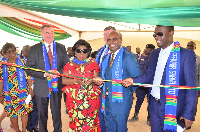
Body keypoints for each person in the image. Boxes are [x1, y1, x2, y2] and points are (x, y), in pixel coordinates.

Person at [122, 25, 198, 132]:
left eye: (160, 34)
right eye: (155, 34)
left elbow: (191, 87)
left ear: (171, 32)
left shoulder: (185, 54)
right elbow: (149, 75)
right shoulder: (154, 54)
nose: (156, 37)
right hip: (153, 105)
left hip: (173, 106)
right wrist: (133, 80)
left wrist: (189, 114)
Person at [93, 31, 141, 132]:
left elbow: (137, 79)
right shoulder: (106, 58)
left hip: (121, 101)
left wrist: (127, 93)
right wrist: (100, 81)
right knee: (109, 127)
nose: (111, 42)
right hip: (106, 100)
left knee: (120, 128)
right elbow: (103, 76)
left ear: (121, 40)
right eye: (109, 40)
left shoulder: (128, 57)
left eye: (115, 39)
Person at [26, 24, 69, 132]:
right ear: (41, 34)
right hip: (41, 87)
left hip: (56, 86)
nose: (50, 35)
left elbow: (67, 65)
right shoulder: (34, 49)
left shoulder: (61, 47)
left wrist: (58, 72)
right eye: (47, 33)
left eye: (52, 32)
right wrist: (45, 74)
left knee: (57, 115)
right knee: (42, 116)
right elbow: (29, 68)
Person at [62, 39, 101, 131]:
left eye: (85, 51)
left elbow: (95, 79)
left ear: (88, 52)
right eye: (79, 50)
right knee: (76, 123)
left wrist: (94, 81)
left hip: (90, 100)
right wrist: (77, 81)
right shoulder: (69, 65)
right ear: (74, 52)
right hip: (74, 101)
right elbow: (63, 80)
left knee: (90, 123)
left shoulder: (93, 64)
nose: (81, 53)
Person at [0, 42, 34, 132]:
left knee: (24, 111)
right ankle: (17, 130)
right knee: (12, 113)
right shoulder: (3, 65)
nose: (12, 53)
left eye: (13, 50)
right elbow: (1, 81)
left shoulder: (22, 62)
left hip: (23, 92)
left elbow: (28, 76)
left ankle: (24, 130)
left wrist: (31, 88)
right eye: (9, 52)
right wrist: (0, 95)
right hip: (10, 94)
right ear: (4, 54)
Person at [128, 44, 155, 126]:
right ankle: (135, 115)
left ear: (152, 50)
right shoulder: (142, 58)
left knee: (150, 102)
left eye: (147, 48)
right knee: (139, 100)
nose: (145, 49)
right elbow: (138, 70)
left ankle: (149, 118)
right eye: (146, 47)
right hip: (142, 84)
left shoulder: (156, 59)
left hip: (151, 85)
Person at [95, 26, 116, 132]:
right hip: (100, 88)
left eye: (110, 34)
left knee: (112, 119)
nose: (107, 36)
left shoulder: (122, 52)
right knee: (101, 116)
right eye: (105, 34)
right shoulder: (100, 50)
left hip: (112, 91)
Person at [21, 45, 39, 132]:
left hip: (36, 88)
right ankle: (28, 126)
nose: (28, 52)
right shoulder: (21, 63)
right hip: (25, 90)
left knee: (35, 108)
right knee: (27, 108)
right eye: (26, 51)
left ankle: (34, 126)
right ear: (23, 53)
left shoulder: (37, 62)